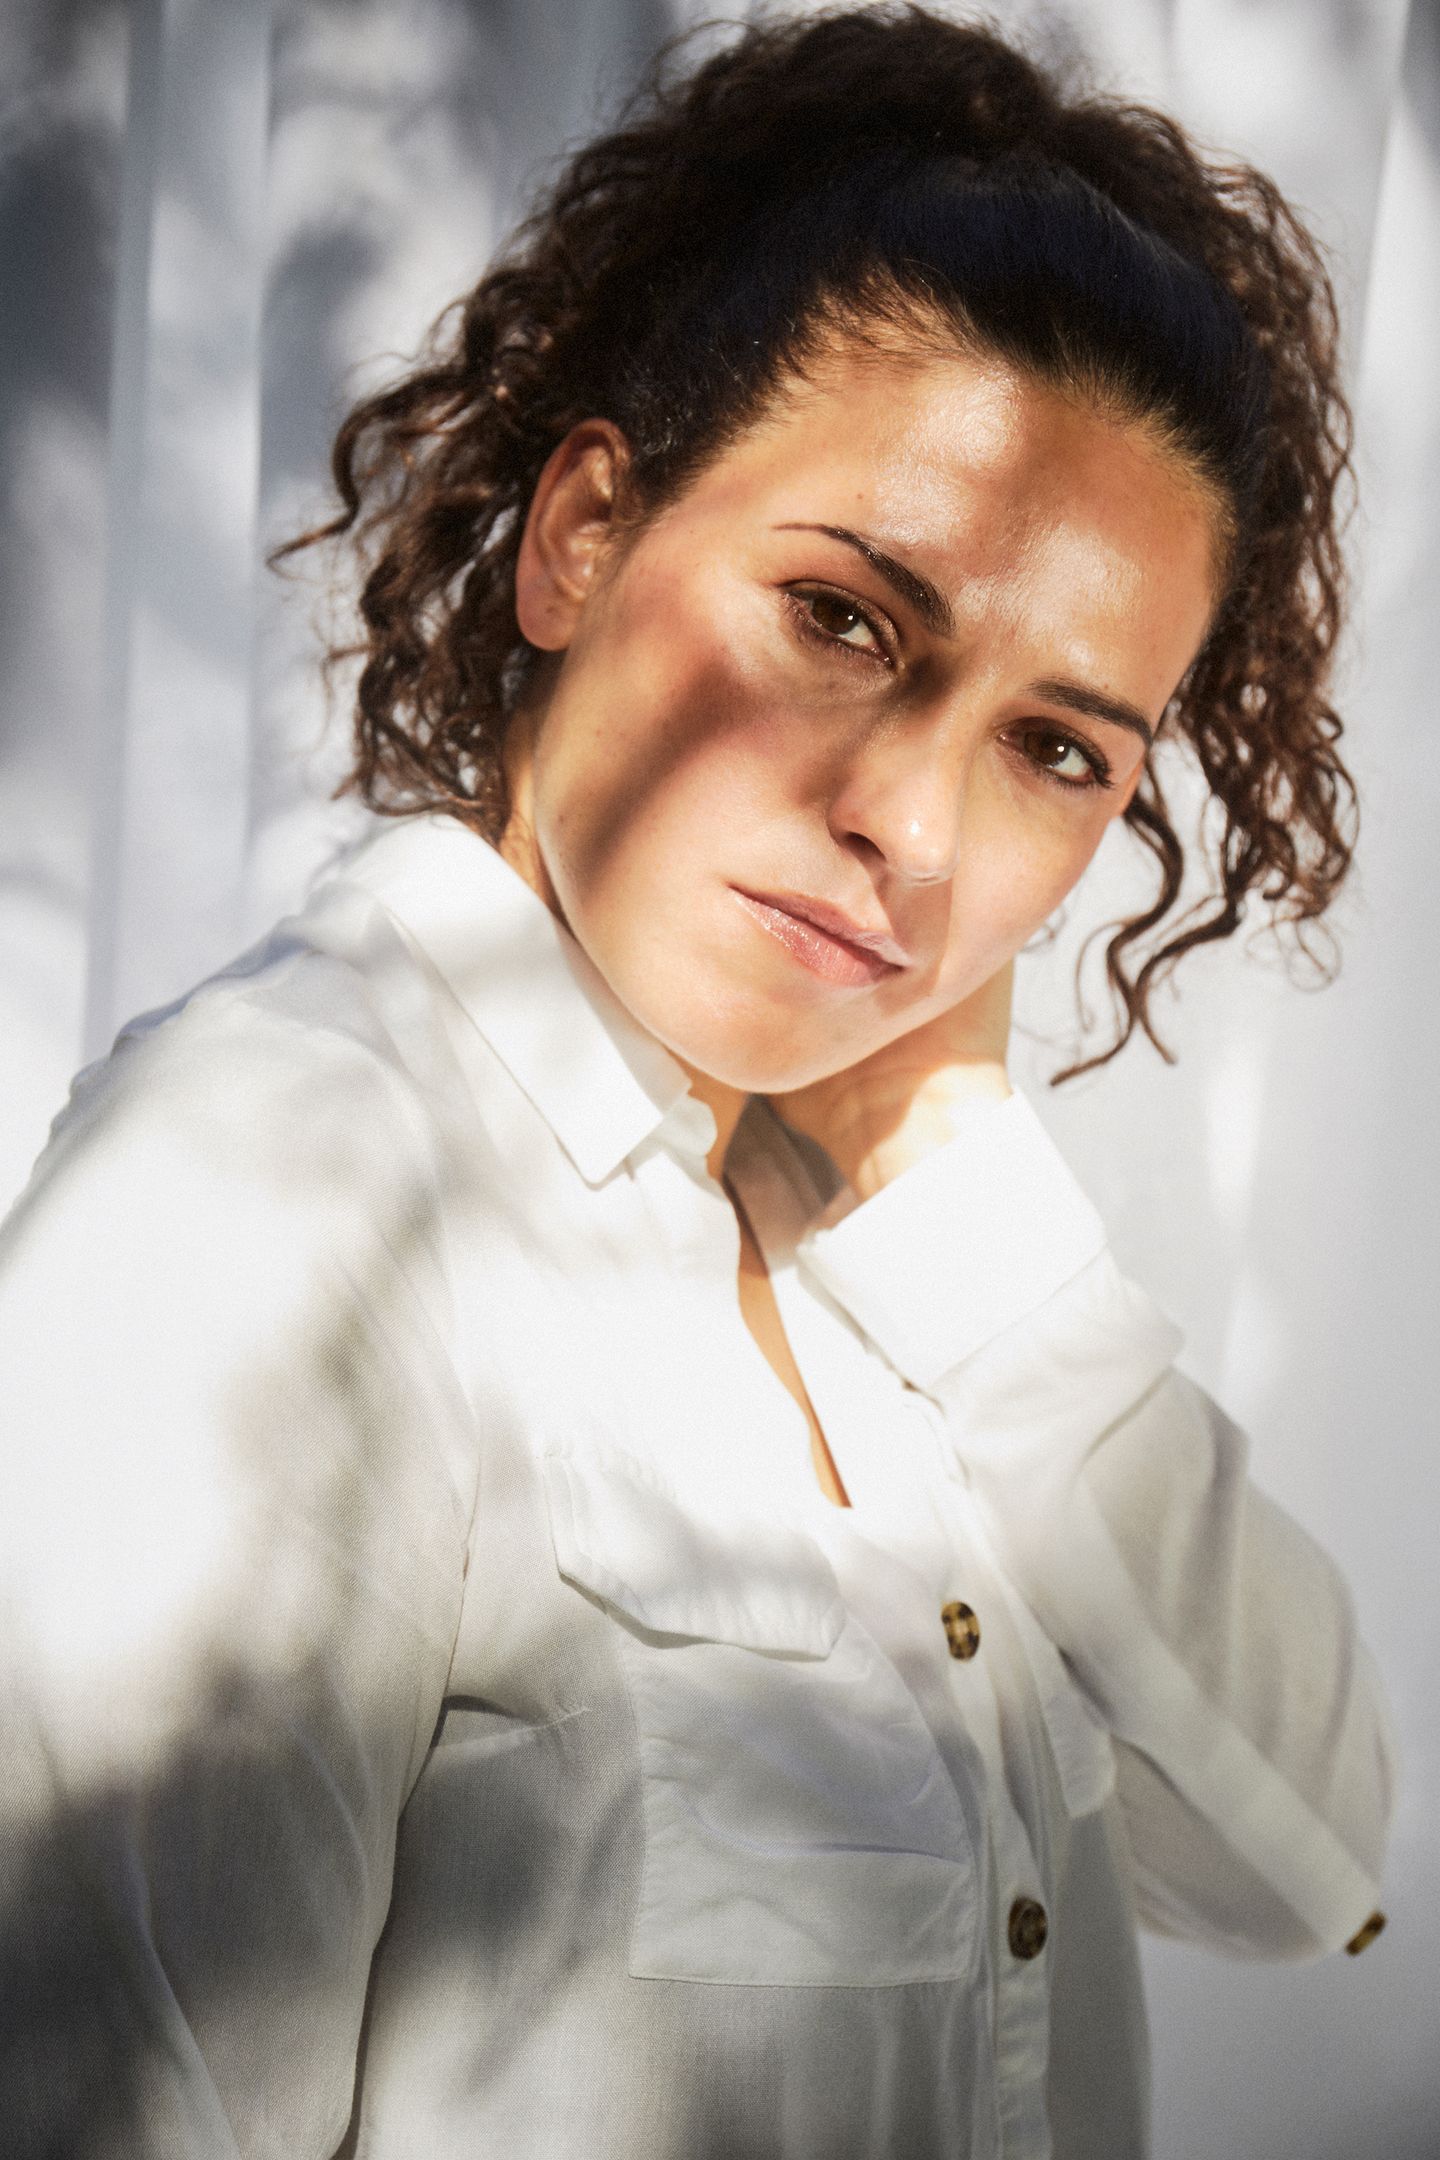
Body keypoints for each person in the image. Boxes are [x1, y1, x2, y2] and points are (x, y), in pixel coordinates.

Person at [0, 7, 1397, 2157]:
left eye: (1055, 748)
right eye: (843, 620)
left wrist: (951, 1176)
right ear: (581, 534)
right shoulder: (272, 1191)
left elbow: (1306, 1855)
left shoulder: (895, 1260)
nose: (913, 831)